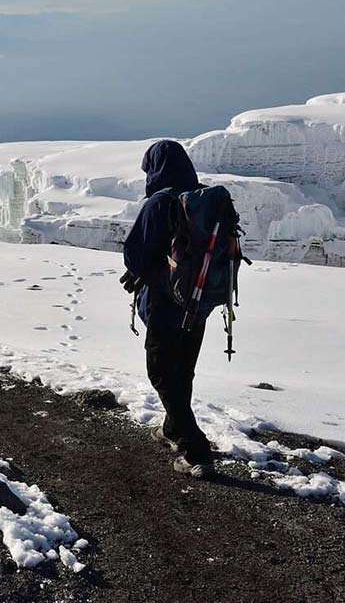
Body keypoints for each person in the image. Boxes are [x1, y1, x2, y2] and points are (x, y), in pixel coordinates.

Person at [122, 140, 216, 479]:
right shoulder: (203, 200)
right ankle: (172, 427)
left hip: (167, 304)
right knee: (182, 371)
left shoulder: (160, 202)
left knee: (161, 371)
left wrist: (145, 272)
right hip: (200, 302)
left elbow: (135, 254)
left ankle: (196, 450)